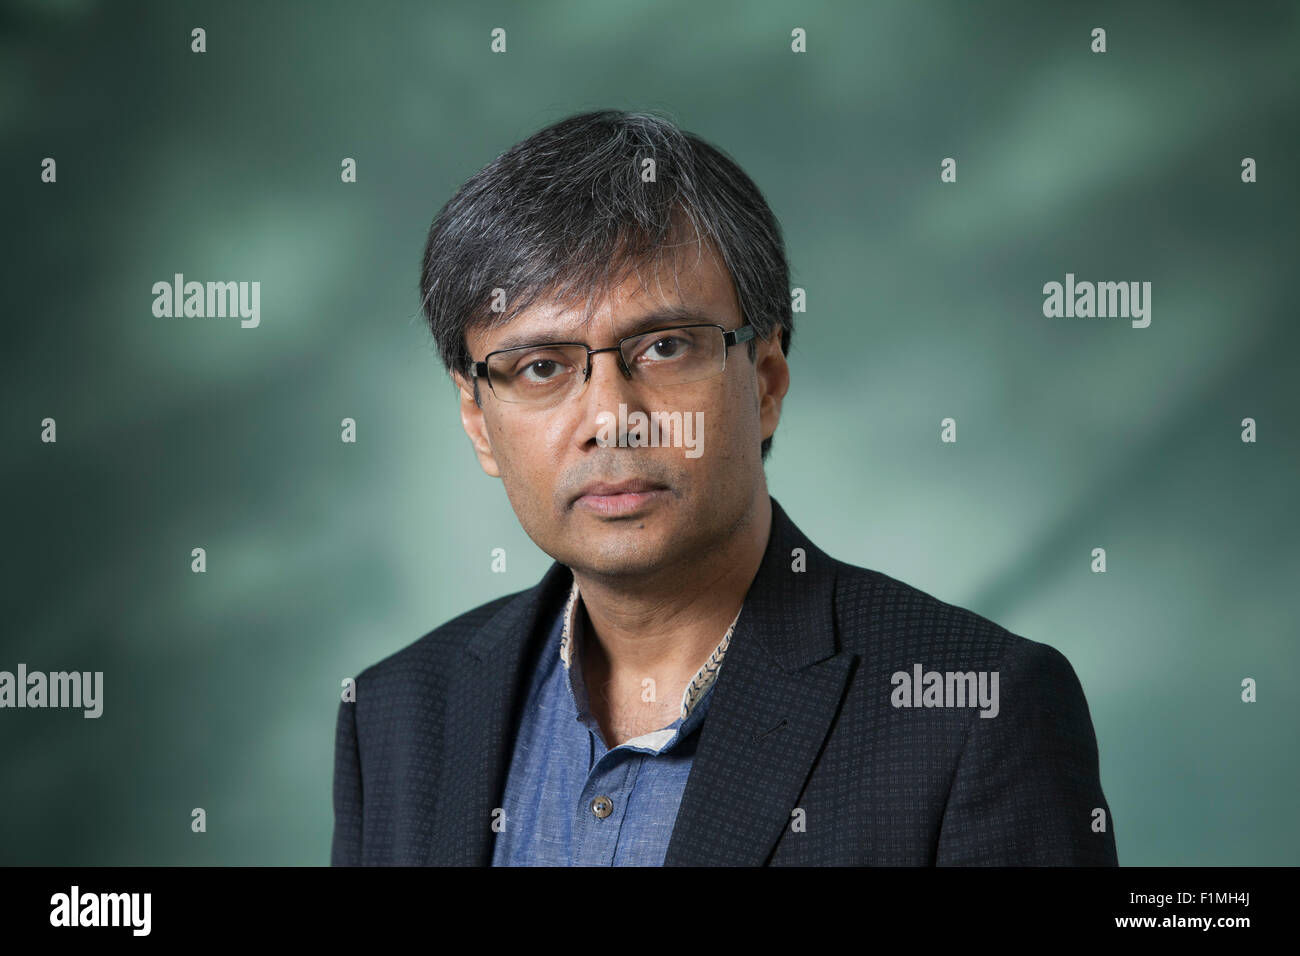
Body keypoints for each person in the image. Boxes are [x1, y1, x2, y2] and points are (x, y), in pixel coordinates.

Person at [331, 109, 1118, 866]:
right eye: (541, 367)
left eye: (666, 346)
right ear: (477, 419)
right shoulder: (397, 719)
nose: (612, 418)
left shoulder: (972, 711)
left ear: (766, 379)